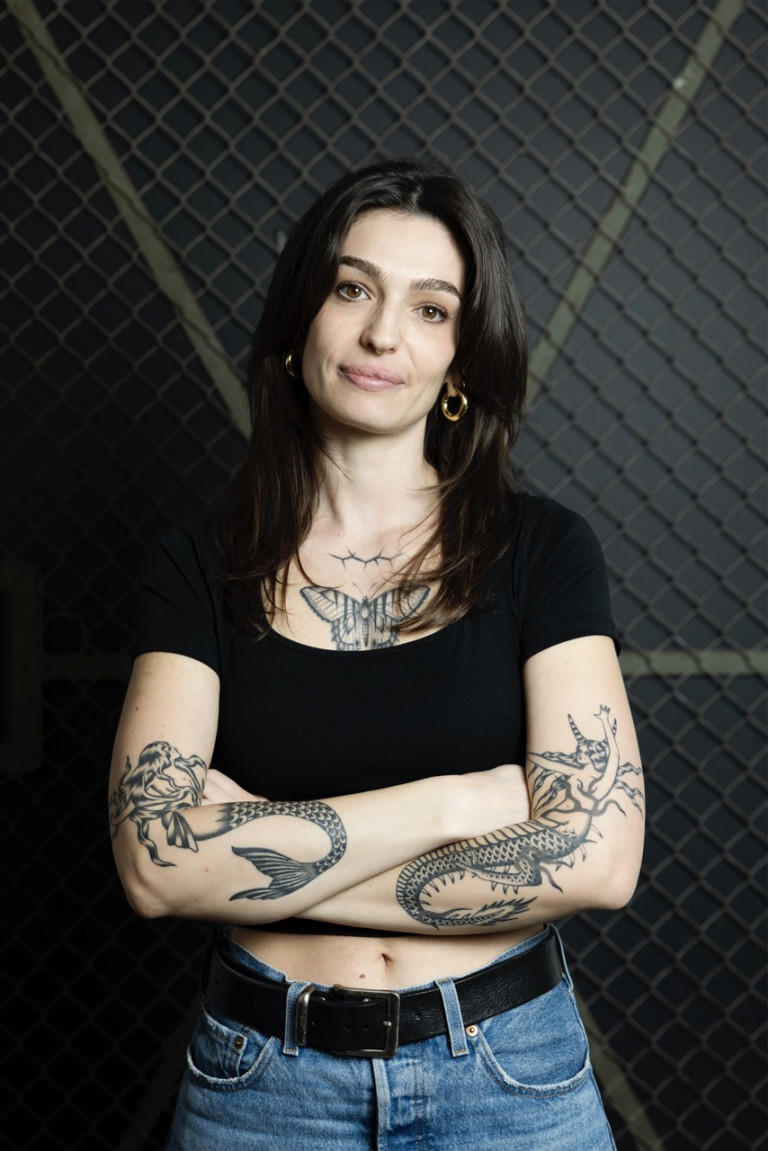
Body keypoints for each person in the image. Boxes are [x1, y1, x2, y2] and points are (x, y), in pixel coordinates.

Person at [109, 156, 645, 1150]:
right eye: (352, 288)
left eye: (431, 309)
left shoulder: (544, 549)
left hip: (509, 1076)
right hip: (264, 1085)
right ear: (300, 317)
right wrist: (460, 804)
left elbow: (601, 857)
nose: (383, 334)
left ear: (461, 359)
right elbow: (154, 865)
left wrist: (251, 843)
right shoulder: (197, 561)